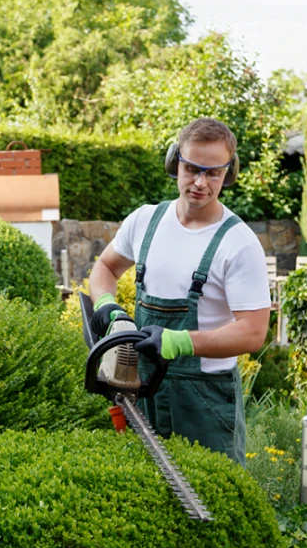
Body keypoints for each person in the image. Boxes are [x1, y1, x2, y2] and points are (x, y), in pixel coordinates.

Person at [87, 117, 271, 466]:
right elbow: (105, 268)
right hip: (141, 389)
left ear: (228, 174)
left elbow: (253, 332)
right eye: (192, 169)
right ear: (176, 163)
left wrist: (179, 342)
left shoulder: (238, 242)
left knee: (214, 501)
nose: (200, 182)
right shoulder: (145, 221)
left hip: (204, 401)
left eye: (213, 173)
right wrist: (108, 307)